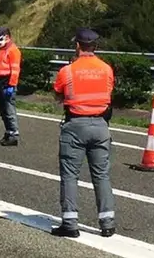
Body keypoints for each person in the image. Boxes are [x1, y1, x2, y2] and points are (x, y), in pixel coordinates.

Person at [51, 28, 116, 238]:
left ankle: (70, 223)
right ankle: (107, 223)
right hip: (100, 125)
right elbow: (109, 93)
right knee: (101, 175)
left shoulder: (67, 71)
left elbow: (58, 94)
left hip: (75, 125)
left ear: (77, 45)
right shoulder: (106, 69)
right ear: (95, 47)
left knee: (70, 175)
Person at [0, 26, 22, 146]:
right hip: (0, 82)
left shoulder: (13, 51)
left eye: (0, 38)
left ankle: (14, 135)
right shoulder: (2, 51)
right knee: (3, 111)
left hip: (8, 83)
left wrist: (12, 85)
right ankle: (8, 132)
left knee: (9, 110)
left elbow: (15, 70)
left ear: (7, 37)